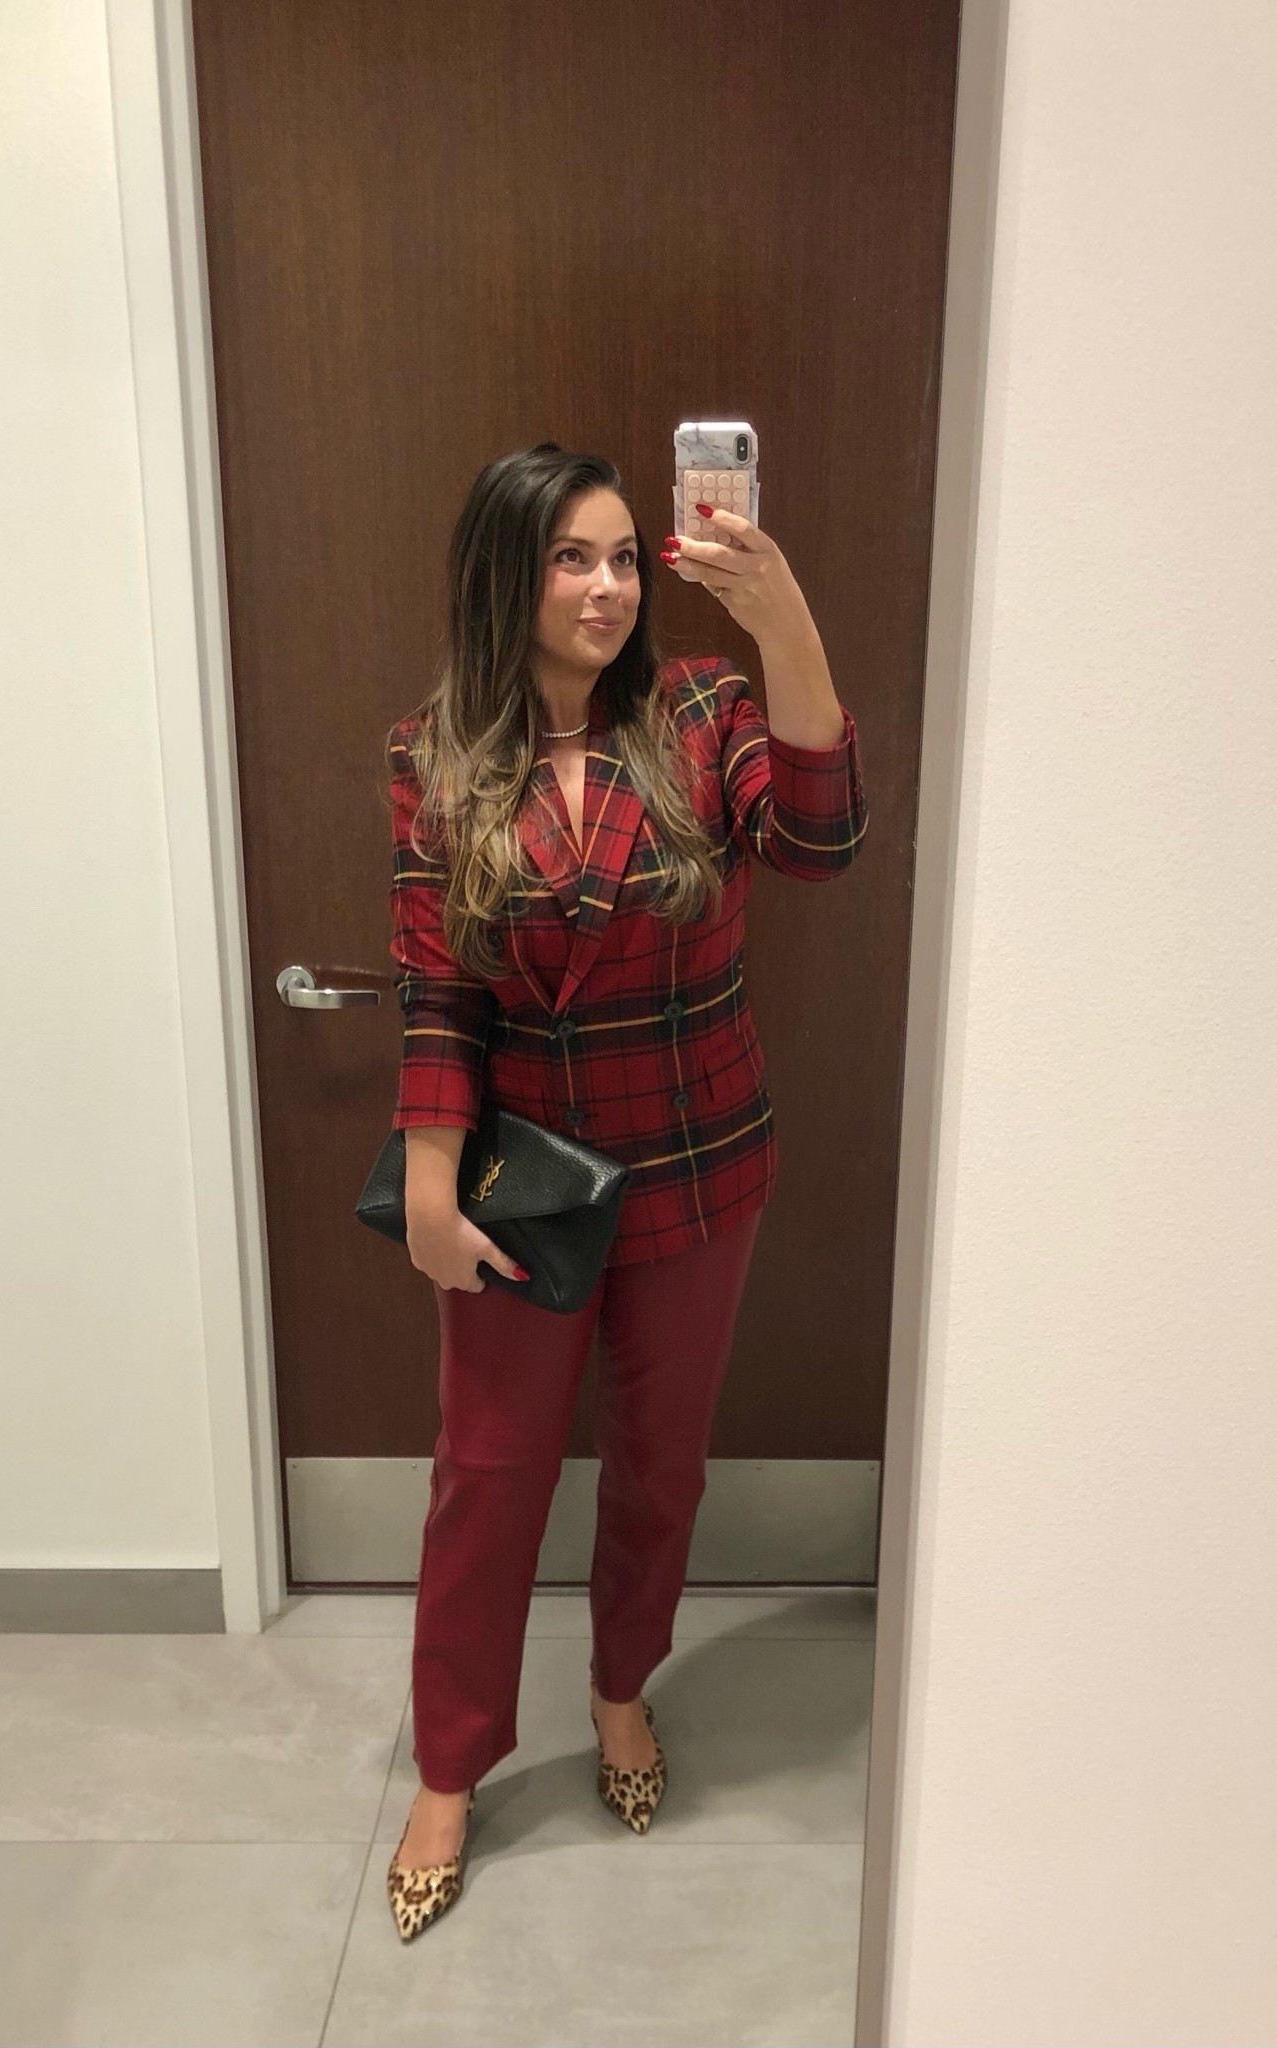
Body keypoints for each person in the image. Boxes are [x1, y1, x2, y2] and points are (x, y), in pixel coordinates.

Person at [382, 442, 869, 1940]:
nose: (605, 588)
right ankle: (451, 1768)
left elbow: (823, 841)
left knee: (661, 1465)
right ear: (504, 577)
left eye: (618, 558)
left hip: (699, 1163)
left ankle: (618, 1691)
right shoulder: (436, 755)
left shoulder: (701, 713)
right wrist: (425, 1184)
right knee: (488, 1476)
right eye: (568, 559)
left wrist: (783, 620)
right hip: (526, 1184)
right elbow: (438, 986)